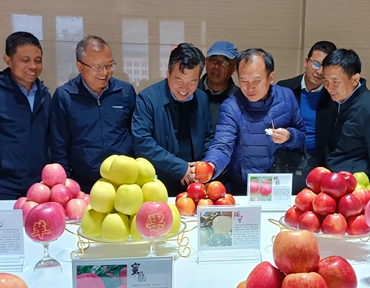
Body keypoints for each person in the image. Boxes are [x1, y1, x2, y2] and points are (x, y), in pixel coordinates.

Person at [203, 48, 306, 195]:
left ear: (271, 77)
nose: (250, 87)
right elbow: (222, 145)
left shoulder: (287, 97)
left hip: (280, 182)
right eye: (244, 81)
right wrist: (211, 166)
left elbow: (301, 137)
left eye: (256, 81)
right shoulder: (231, 106)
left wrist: (289, 136)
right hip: (245, 185)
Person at [0, 32, 51, 200]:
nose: (33, 66)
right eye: (25, 60)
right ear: (8, 60)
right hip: (2, 186)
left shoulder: (44, 95)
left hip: (38, 186)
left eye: (38, 60)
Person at [50, 35, 136, 193]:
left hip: (122, 183)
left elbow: (135, 135)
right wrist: (67, 185)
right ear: (79, 66)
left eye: (109, 65)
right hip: (82, 185)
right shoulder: (65, 96)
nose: (105, 72)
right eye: (97, 67)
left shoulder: (125, 92)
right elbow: (59, 146)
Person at [132, 43, 213, 196]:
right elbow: (142, 143)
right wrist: (180, 168)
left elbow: (208, 137)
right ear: (168, 73)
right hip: (159, 184)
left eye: (192, 81)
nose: (185, 87)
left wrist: (204, 167)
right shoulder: (147, 99)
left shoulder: (201, 98)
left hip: (195, 185)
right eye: (179, 79)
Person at [321, 49, 370, 193]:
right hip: (331, 181)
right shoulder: (333, 100)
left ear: (355, 79)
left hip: (355, 187)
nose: (329, 87)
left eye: (335, 81)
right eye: (326, 81)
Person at [277, 40, 337, 165]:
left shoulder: (334, 95)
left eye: (325, 67)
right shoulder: (284, 88)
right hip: (286, 160)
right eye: (316, 64)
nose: (319, 71)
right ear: (306, 62)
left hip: (320, 163)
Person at [198, 41, 239, 130]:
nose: (217, 66)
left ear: (234, 69)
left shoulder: (240, 99)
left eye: (224, 63)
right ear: (206, 62)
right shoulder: (190, 92)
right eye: (213, 60)